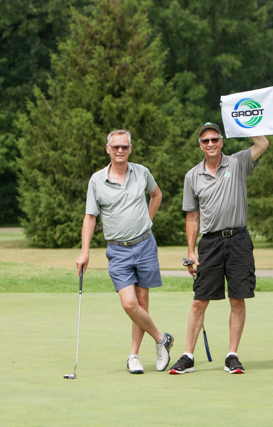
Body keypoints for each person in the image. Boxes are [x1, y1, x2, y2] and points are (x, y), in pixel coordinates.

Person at [169, 122, 269, 375]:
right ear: (200, 145)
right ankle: (188, 355)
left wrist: (240, 123)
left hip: (238, 240)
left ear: (222, 141)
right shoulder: (192, 175)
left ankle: (232, 355)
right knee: (199, 301)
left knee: (237, 299)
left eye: (215, 139)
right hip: (210, 243)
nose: (211, 144)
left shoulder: (237, 162)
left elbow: (262, 143)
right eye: (206, 141)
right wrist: (191, 251)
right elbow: (192, 216)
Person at [76, 129, 174, 375]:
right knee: (130, 304)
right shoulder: (97, 180)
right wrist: (85, 251)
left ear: (130, 148)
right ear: (107, 149)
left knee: (142, 301)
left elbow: (156, 194)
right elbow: (90, 217)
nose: (120, 150)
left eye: (125, 146)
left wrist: (148, 219)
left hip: (145, 245)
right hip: (118, 250)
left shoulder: (142, 172)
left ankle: (134, 355)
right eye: (116, 146)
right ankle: (161, 339)